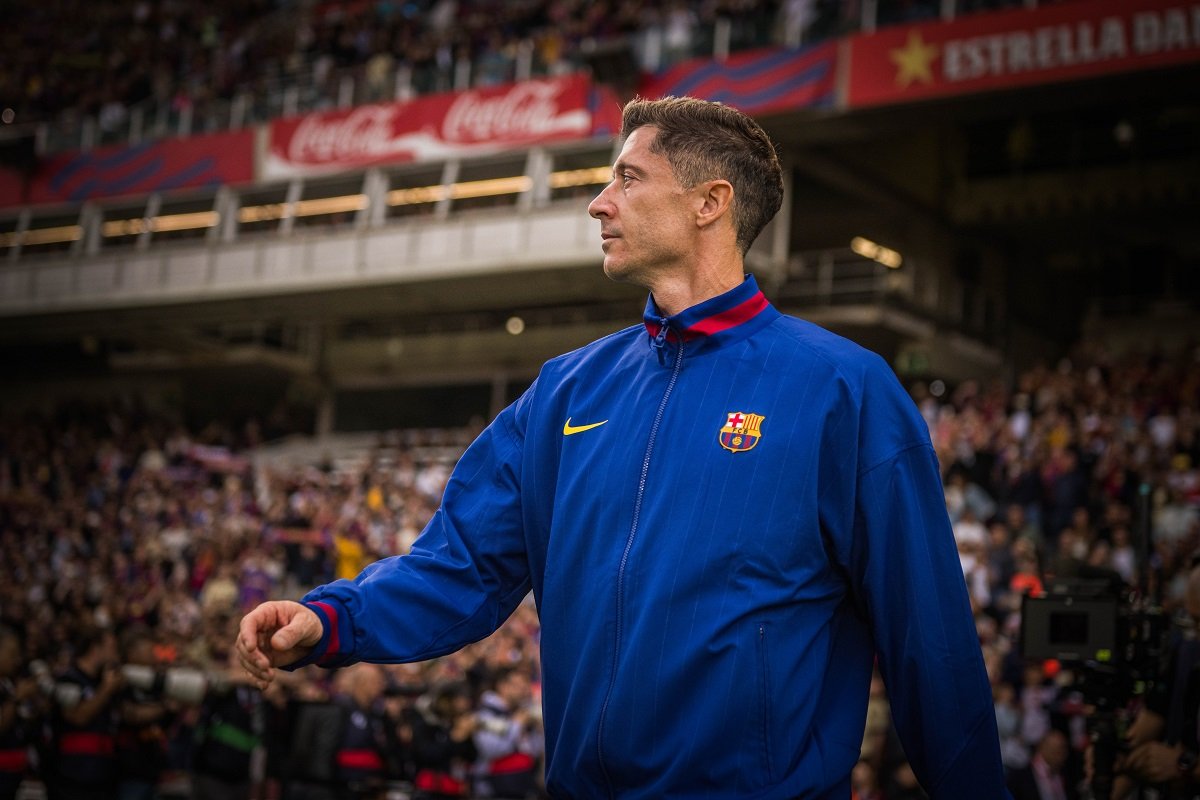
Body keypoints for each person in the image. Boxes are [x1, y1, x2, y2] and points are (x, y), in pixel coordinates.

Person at [238, 96, 1009, 797]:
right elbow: (462, 565)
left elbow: (928, 644)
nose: (598, 202)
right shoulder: (566, 390)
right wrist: (331, 620)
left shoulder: (844, 390)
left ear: (711, 204)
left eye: (628, 179)